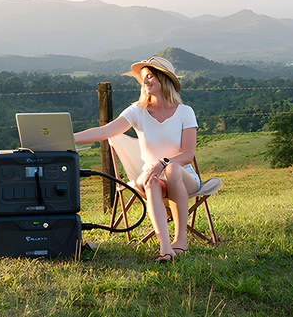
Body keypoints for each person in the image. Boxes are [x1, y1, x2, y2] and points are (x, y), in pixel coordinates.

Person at [74, 56, 200, 262]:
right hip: (152, 178)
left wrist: (164, 162)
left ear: (164, 80)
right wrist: (69, 138)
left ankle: (181, 240)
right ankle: (165, 248)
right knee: (151, 180)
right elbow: (106, 131)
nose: (145, 81)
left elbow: (187, 154)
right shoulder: (137, 111)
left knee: (172, 169)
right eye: (143, 78)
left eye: (150, 76)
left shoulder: (185, 112)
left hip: (184, 178)